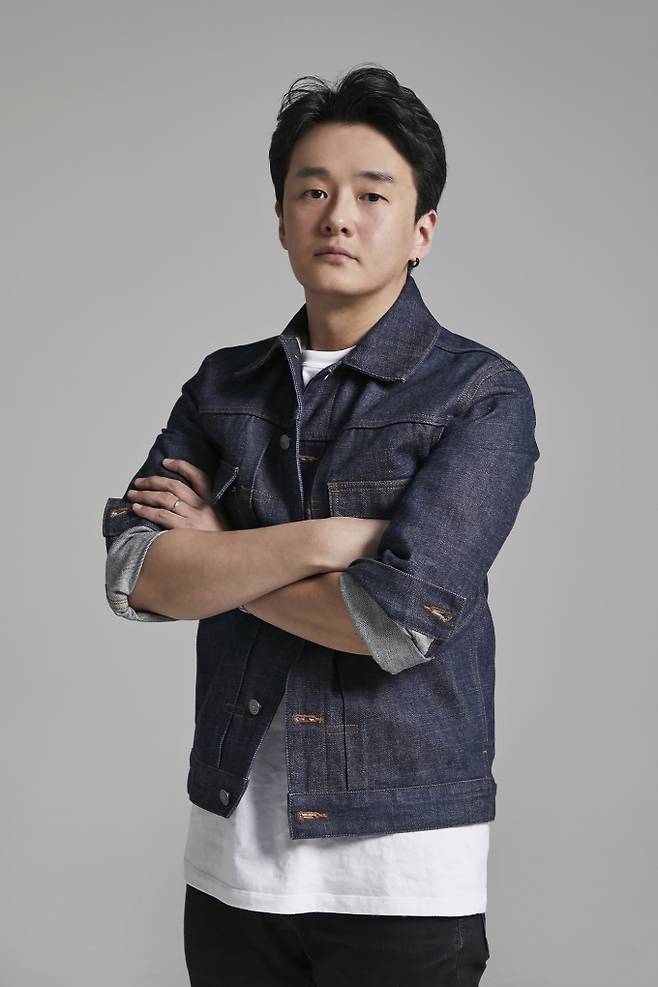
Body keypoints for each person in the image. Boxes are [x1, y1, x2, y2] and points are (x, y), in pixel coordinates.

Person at [102, 64, 540, 986]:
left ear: (421, 231)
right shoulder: (222, 385)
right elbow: (137, 575)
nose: (338, 216)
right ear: (281, 219)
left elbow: (392, 624)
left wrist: (218, 556)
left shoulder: (481, 396)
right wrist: (322, 541)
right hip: (231, 861)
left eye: (371, 194)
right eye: (313, 191)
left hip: (402, 869)